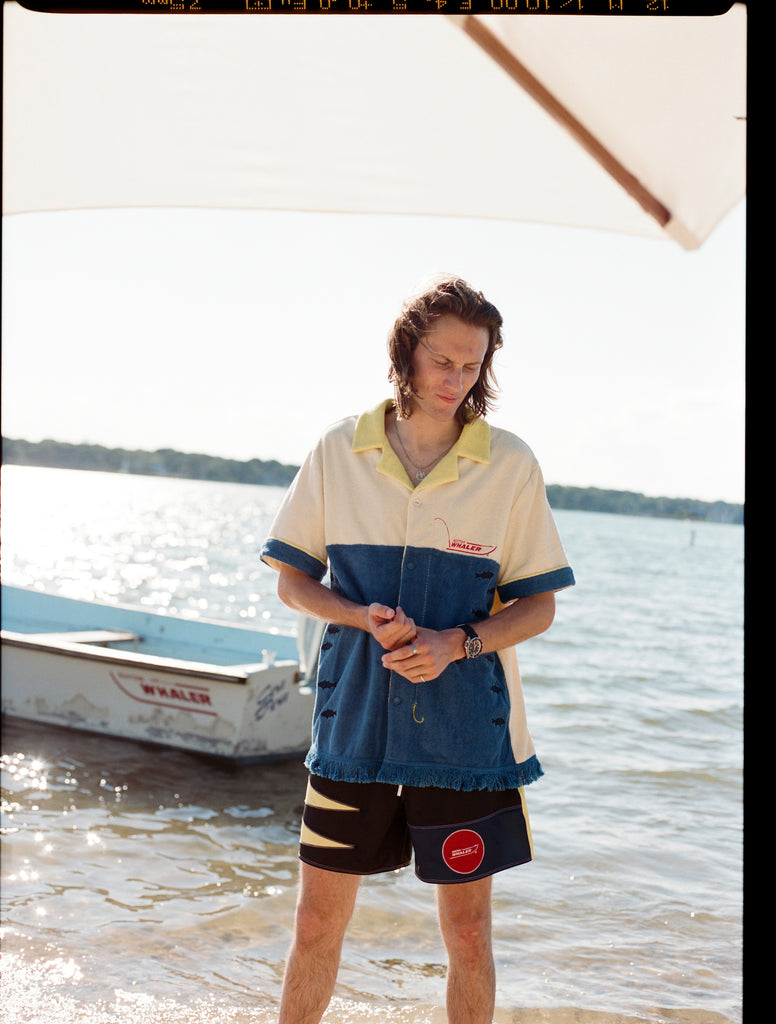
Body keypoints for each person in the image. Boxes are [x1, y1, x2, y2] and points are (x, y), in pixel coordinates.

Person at [260, 275, 575, 1024]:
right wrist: (360, 618)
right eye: (443, 362)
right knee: (314, 926)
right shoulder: (339, 450)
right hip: (352, 731)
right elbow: (293, 585)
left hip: (466, 743)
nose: (456, 381)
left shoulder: (510, 465)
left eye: (472, 365)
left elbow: (538, 606)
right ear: (407, 354)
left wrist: (455, 643)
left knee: (467, 932)